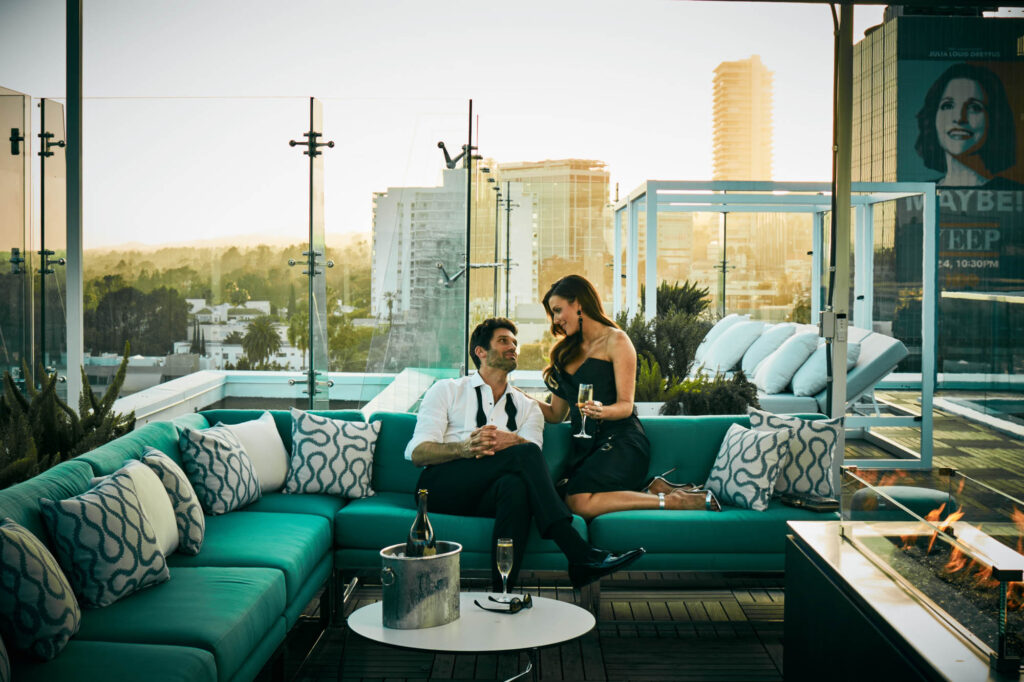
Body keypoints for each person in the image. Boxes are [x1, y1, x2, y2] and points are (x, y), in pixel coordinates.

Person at [405, 317, 645, 592]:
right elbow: (418, 453)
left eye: (515, 343)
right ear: (480, 352)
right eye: (503, 341)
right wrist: (464, 448)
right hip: (439, 488)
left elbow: (532, 460)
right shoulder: (447, 390)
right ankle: (580, 554)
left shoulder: (527, 407)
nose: (513, 347)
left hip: (489, 493)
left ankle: (503, 594)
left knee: (516, 487)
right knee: (522, 458)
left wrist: (515, 441)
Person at [533, 275, 720, 521]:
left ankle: (672, 501)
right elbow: (556, 415)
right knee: (560, 498)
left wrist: (601, 411)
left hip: (622, 441)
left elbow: (625, 406)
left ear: (578, 303)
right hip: (585, 449)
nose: (556, 320)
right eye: (552, 314)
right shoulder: (564, 352)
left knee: (578, 501)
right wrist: (511, 392)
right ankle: (653, 489)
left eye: (558, 310)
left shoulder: (616, 340)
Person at [915, 63, 1021, 189]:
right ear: (933, 118)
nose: (960, 118)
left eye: (975, 108)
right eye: (948, 105)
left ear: (993, 119)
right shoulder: (919, 194)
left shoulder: (1015, 192)